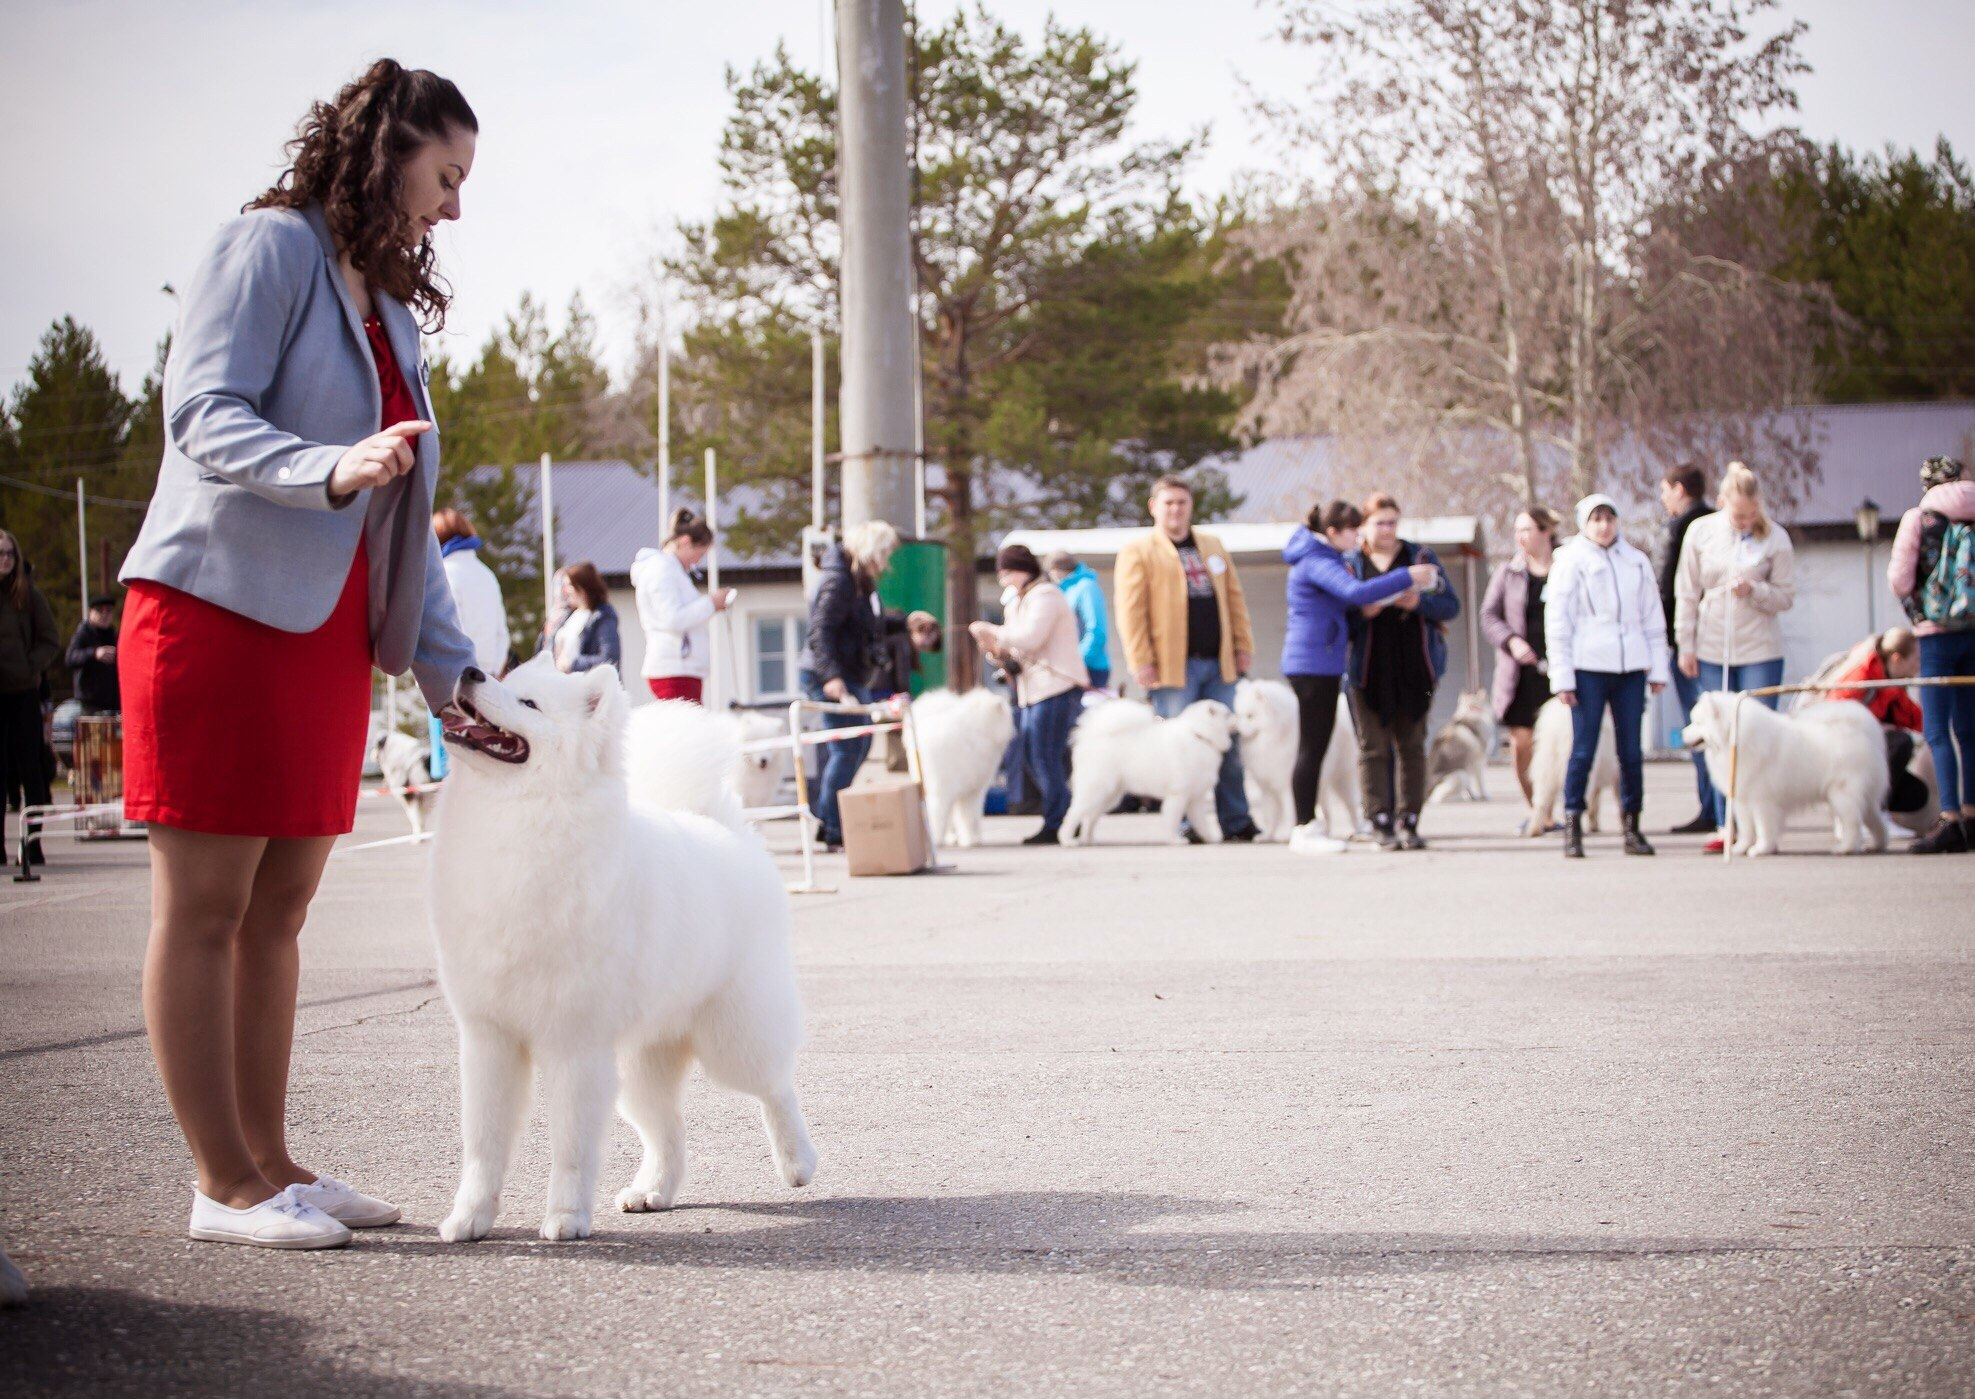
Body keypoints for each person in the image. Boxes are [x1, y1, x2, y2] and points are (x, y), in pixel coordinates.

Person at [113, 61, 482, 1249]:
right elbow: (202, 412)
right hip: (216, 612)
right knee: (207, 906)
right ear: (389, 151)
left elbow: (401, 507)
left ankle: (272, 1164)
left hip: (325, 634)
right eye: (447, 175)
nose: (455, 208)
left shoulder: (379, 303)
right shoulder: (265, 245)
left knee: (281, 910)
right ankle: (220, 1184)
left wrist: (456, 680)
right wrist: (325, 467)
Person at [1281, 501, 1439, 854]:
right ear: (1333, 532)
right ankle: (1303, 828)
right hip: (1312, 664)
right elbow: (1355, 592)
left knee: (1316, 747)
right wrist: (1408, 576)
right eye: (1353, 529)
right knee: (1312, 747)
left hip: (1321, 662)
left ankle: (1309, 824)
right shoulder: (1316, 559)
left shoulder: (1324, 556)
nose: (1358, 535)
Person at [1113, 475, 1262, 842]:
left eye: (1182, 502)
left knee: (1227, 745)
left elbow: (1234, 599)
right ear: (1154, 507)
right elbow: (1130, 612)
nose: (1176, 509)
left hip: (1219, 662)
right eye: (1168, 503)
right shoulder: (1139, 550)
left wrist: (1243, 646)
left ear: (1191, 506)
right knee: (1176, 746)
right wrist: (1140, 660)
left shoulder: (1211, 545)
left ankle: (1236, 819)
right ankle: (1185, 822)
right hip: (1171, 666)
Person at [1674, 461, 1796, 851]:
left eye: (1751, 514)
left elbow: (1786, 596)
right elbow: (1687, 591)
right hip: (1712, 648)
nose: (1744, 521)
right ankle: (1729, 824)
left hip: (1759, 650)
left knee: (1756, 740)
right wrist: (1686, 644)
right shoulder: (1701, 532)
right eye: (1737, 514)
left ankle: (1764, 827)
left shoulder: (1776, 538)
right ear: (1722, 501)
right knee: (1718, 739)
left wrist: (1755, 591)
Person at [1547, 495, 1669, 858]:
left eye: (1609, 518)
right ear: (1584, 523)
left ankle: (1632, 825)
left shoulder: (1635, 561)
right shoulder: (1570, 561)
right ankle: (1573, 824)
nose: (1604, 526)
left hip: (1630, 665)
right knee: (1583, 749)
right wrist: (1563, 676)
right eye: (1596, 519)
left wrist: (1657, 666)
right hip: (1588, 666)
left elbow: (1652, 617)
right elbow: (1558, 621)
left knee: (1630, 750)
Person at [1344, 493, 1460, 850]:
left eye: (1393, 522)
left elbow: (1450, 605)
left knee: (1411, 745)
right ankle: (1379, 820)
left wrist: (1419, 602)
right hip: (1368, 669)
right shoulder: (1353, 562)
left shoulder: (1419, 557)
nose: (1387, 529)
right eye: (1379, 522)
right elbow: (1339, 613)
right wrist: (1364, 613)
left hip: (1413, 668)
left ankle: (1409, 820)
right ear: (1364, 526)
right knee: (1373, 747)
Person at [970, 544, 1089, 844]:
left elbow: (1030, 638)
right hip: (1031, 691)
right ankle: (1060, 817)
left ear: (1024, 570)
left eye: (1007, 573)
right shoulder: (1016, 602)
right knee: (1034, 757)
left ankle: (1060, 820)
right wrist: (995, 652)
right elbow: (1014, 648)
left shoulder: (1046, 596)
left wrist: (993, 630)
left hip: (1056, 687)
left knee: (1045, 755)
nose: (1004, 581)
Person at [1888, 453, 1975, 853]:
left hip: (1935, 635)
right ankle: (1973, 815)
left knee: (1938, 730)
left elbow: (1900, 579)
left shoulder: (1919, 517)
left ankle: (1951, 818)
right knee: (1970, 730)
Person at [801, 520, 899, 849]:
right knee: (846, 748)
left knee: (860, 746)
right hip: (828, 674)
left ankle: (833, 819)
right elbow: (820, 632)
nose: (887, 560)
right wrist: (831, 678)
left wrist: (904, 620)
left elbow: (864, 623)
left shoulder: (860, 581)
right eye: (884, 552)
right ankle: (831, 826)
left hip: (851, 674)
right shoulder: (839, 580)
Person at [1480, 508, 1560, 815]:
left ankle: (1563, 807)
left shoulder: (1566, 567)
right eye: (1516, 530)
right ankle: (1539, 812)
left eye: (1526, 529)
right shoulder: (1508, 573)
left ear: (1546, 532)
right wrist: (1511, 640)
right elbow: (1488, 615)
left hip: (1559, 670)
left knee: (1556, 743)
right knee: (1523, 742)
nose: (1519, 537)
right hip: (1521, 673)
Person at [1656, 463, 1717, 834]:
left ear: (1679, 489)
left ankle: (1711, 809)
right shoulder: (1719, 522)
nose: (1663, 499)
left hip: (1690, 642)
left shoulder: (1682, 528)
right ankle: (1720, 809)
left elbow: (1669, 588)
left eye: (1665, 491)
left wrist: (1668, 640)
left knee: (1699, 727)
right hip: (1718, 640)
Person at [431, 509, 509, 779]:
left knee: (453, 765)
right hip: (489, 678)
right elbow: (502, 631)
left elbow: (445, 630)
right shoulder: (486, 574)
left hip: (453, 681)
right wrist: (494, 671)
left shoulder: (444, 574)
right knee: (485, 762)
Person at [1821, 628, 1930, 817]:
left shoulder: (1893, 683)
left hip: (1866, 751)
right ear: (1897, 658)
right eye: (1916, 659)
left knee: (1917, 793)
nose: (1919, 666)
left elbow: (1914, 718)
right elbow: (1832, 715)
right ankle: (1872, 814)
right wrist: (1874, 728)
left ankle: (1874, 810)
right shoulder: (1862, 675)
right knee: (1900, 743)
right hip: (1842, 750)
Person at [0, 529, 60, 864]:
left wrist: (28, 667)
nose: (5, 559)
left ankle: (33, 844)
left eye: (10, 553)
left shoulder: (28, 595)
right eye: (0, 553)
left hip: (23, 692)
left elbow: (51, 639)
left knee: (31, 770)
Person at [631, 507, 732, 704]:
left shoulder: (671, 570)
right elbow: (672, 618)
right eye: (699, 553)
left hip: (681, 668)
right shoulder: (662, 570)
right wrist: (711, 603)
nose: (698, 560)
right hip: (674, 670)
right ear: (685, 542)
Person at [1045, 551, 1112, 691]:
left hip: (1090, 668)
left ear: (1054, 571)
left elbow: (1096, 631)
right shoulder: (1065, 590)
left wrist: (1078, 661)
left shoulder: (1086, 587)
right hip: (1070, 668)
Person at [541, 561, 621, 675]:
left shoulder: (603, 617)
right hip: (564, 685)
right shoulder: (569, 615)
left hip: (590, 687)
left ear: (581, 587)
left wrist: (573, 664)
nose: (565, 590)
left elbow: (609, 658)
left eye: (569, 585)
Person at [66, 594, 123, 716]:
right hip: (91, 703)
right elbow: (71, 657)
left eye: (108, 611)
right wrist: (94, 653)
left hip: (114, 701)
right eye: (99, 610)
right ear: (90, 612)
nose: (104, 615)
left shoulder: (114, 635)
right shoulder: (83, 633)